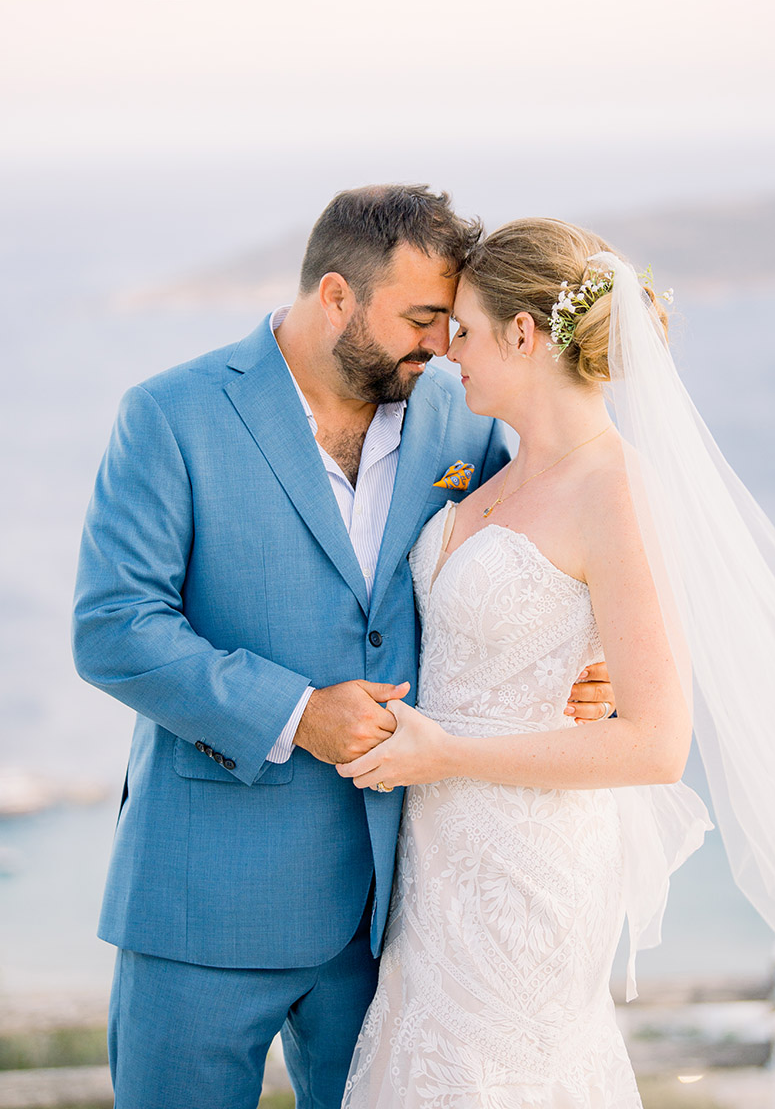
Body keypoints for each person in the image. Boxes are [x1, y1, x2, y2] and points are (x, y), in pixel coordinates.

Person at [72, 188, 615, 1109]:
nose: (442, 344)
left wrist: (580, 667)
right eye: (420, 318)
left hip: (396, 916)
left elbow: (530, 562)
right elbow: (115, 625)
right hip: (205, 900)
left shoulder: (465, 425)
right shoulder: (172, 415)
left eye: (453, 321)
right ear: (336, 296)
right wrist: (296, 713)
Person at [337, 217, 775, 1107]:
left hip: (531, 870)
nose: (449, 352)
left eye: (464, 329)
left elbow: (656, 744)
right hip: (436, 865)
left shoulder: (619, 490)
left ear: (526, 334)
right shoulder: (491, 472)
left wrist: (446, 754)